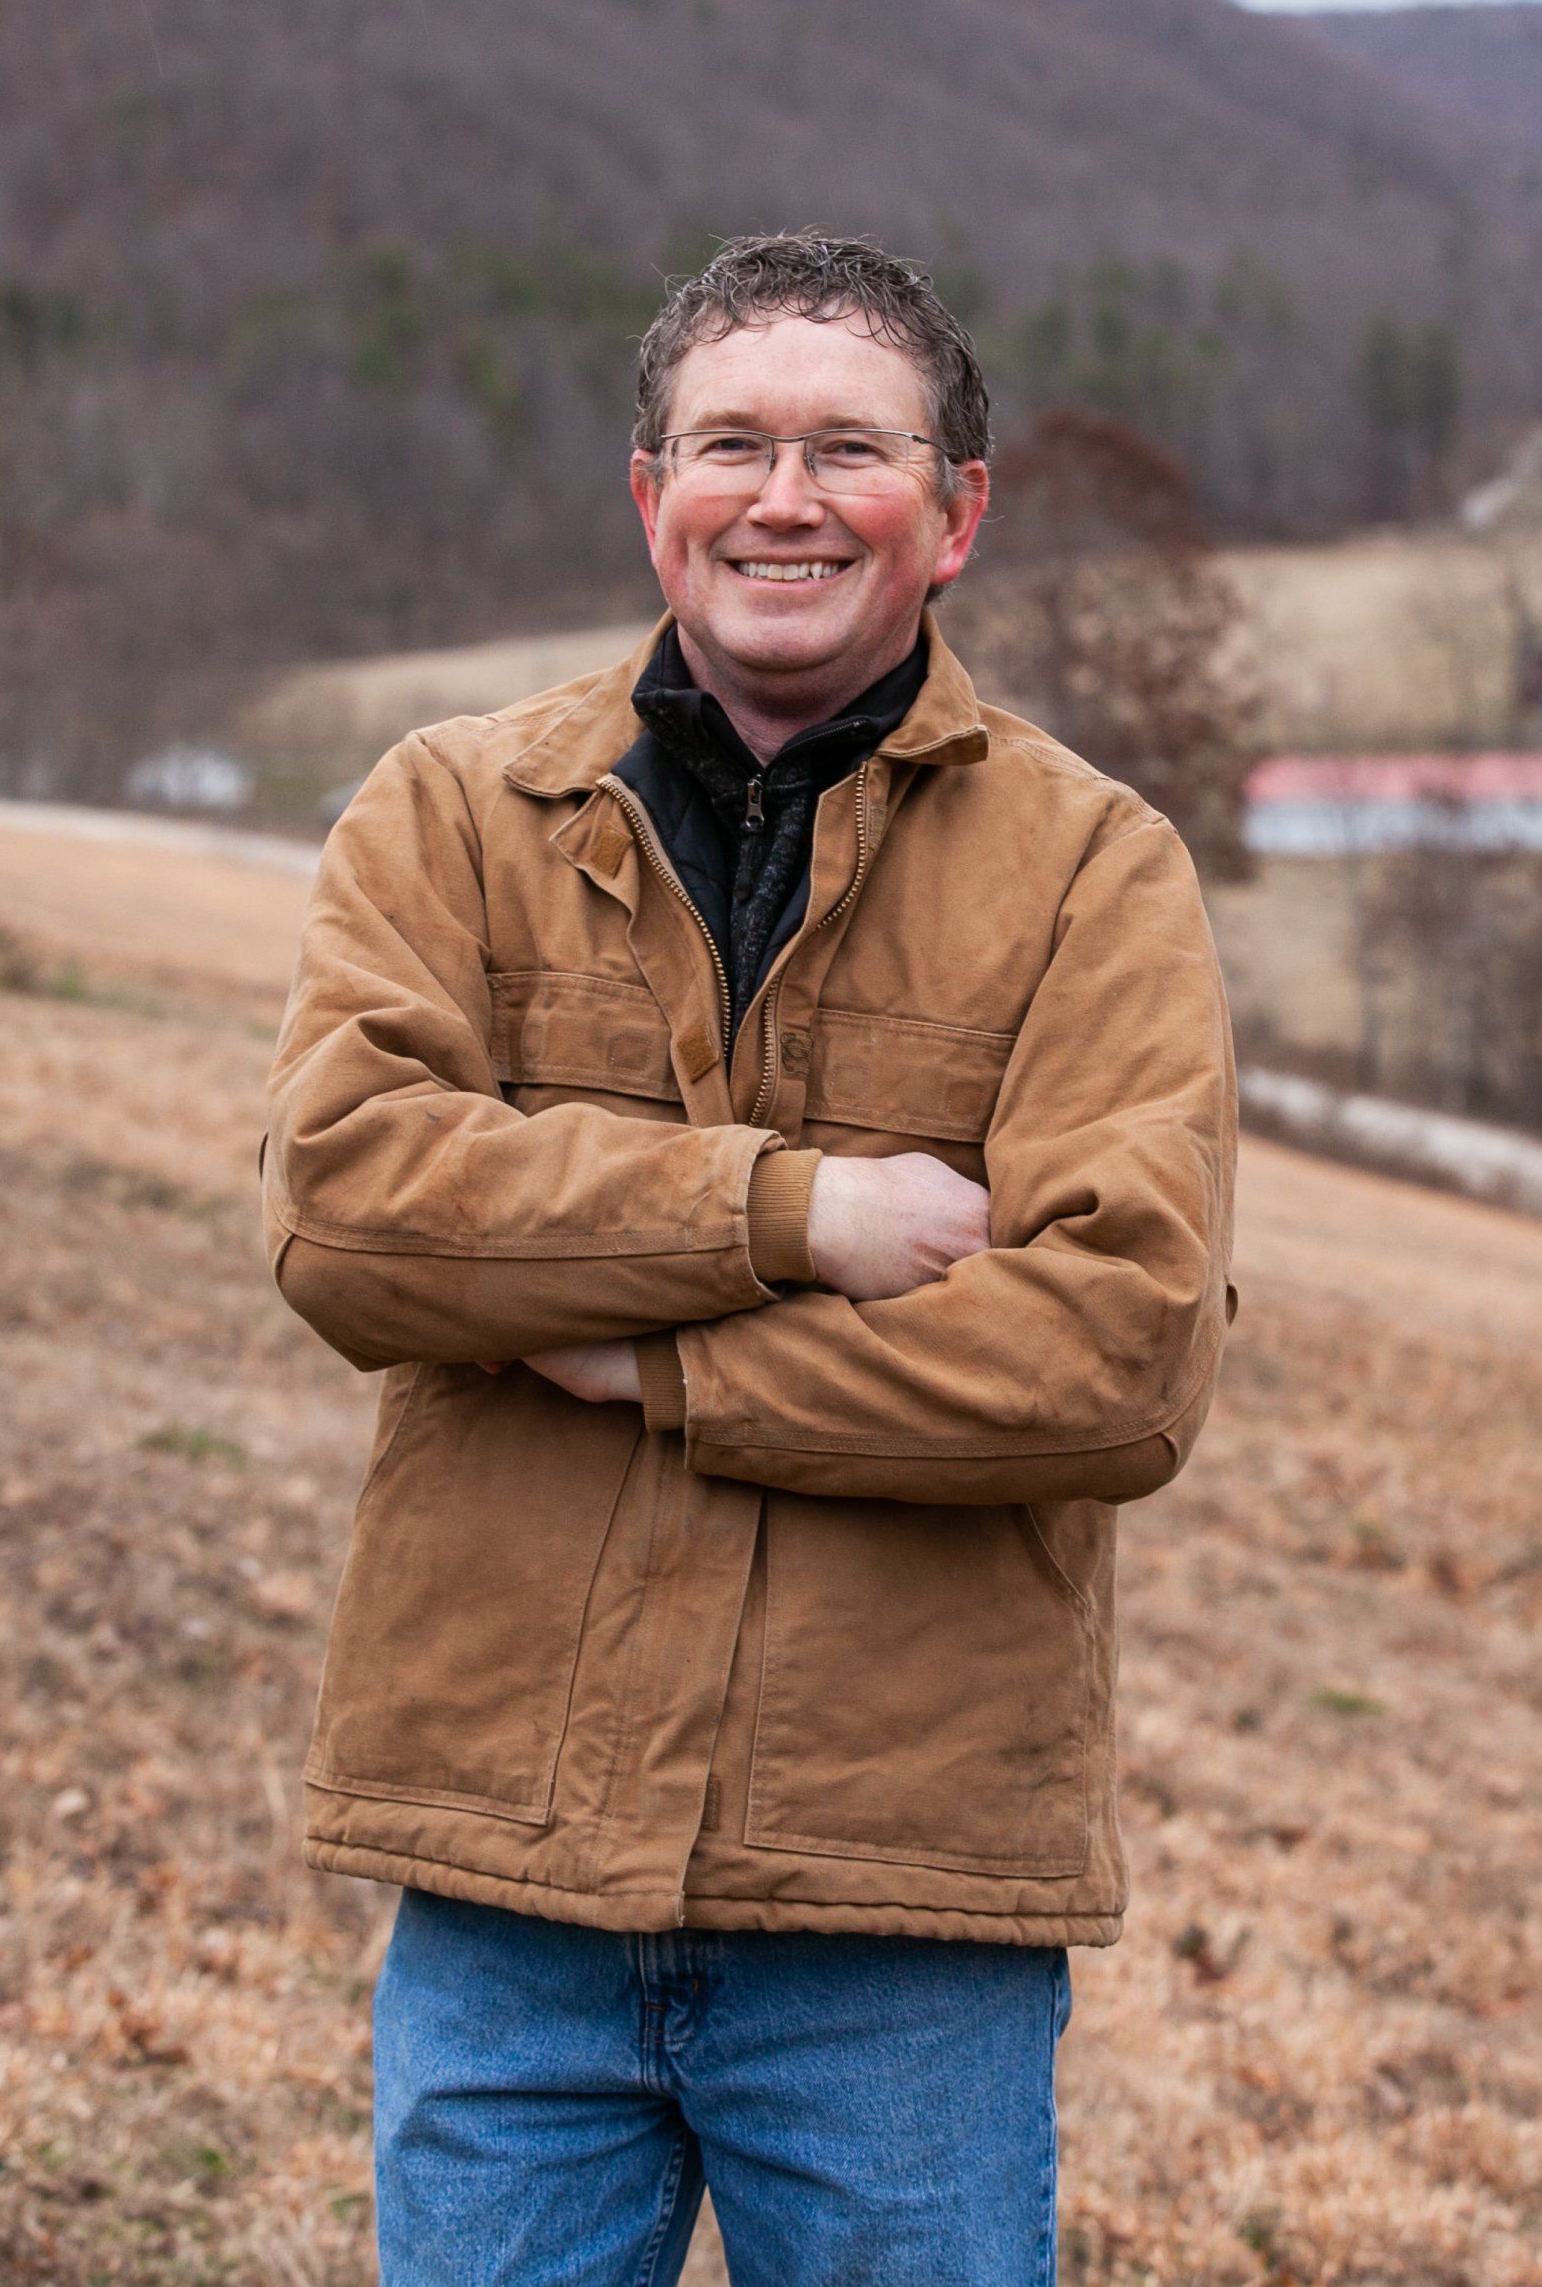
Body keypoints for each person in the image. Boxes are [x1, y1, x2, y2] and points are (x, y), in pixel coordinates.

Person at [264, 231, 1238, 2287]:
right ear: (651, 494)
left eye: (849, 451)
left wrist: (663, 1367)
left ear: (955, 515)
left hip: (899, 1913)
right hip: (509, 1870)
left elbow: (1114, 1357)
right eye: (731, 444)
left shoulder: (1094, 872)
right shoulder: (447, 814)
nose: (782, 499)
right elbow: (353, 1209)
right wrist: (795, 1214)